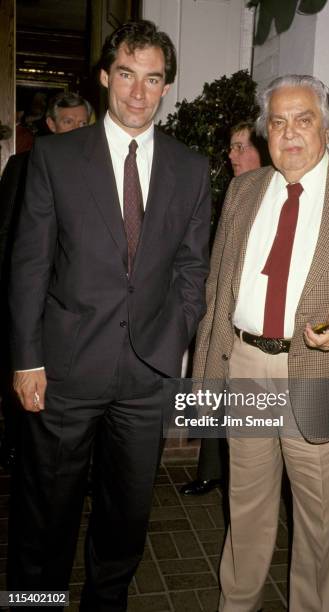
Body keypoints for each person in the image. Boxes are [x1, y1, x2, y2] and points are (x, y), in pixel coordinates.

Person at [8, 20, 210, 611]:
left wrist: (173, 337)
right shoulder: (54, 157)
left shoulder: (191, 169)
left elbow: (191, 269)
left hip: (146, 377)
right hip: (63, 372)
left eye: (152, 79)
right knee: (44, 512)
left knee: (125, 517)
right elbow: (28, 269)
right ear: (104, 77)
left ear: (167, 86)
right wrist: (26, 360)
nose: (138, 93)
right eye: (126, 75)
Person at [192, 74, 329, 611]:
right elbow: (219, 288)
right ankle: (236, 604)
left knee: (319, 522)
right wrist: (206, 375)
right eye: (278, 122)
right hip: (246, 362)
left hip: (326, 371)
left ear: (328, 128)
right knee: (245, 506)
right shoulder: (244, 189)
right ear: (266, 133)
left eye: (304, 120)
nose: (290, 133)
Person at [0, 92, 94, 471]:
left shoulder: (102, 171)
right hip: (32, 295)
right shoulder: (22, 165)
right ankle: (16, 445)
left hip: (79, 305)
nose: (74, 129)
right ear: (51, 125)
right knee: (24, 370)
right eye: (66, 122)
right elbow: (6, 232)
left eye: (81, 123)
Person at [181, 120, 271, 496]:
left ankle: (239, 478)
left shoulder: (275, 193)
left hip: (256, 324)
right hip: (222, 311)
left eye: (239, 147)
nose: (231, 155)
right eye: (231, 147)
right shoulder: (235, 190)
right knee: (214, 393)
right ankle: (212, 470)